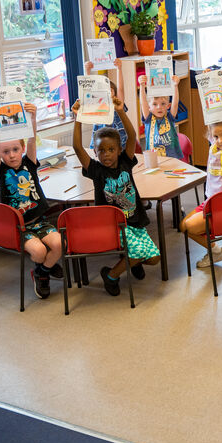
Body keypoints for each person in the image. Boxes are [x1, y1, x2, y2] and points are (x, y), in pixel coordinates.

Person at [71, 96, 159, 295]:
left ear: (119, 150)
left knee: (154, 259)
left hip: (134, 221)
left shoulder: (125, 161)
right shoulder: (95, 170)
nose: (107, 155)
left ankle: (131, 261)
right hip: (113, 225)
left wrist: (121, 111)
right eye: (101, 150)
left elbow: (132, 134)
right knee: (139, 253)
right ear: (95, 152)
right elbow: (77, 147)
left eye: (111, 150)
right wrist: (76, 118)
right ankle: (110, 275)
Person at [0, 102, 63, 299]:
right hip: (19, 228)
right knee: (39, 251)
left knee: (60, 244)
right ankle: (43, 269)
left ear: (22, 148)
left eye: (15, 150)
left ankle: (41, 272)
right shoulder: (0, 171)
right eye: (6, 152)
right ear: (0, 155)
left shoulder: (29, 162)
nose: (11, 155)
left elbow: (33, 141)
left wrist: (33, 118)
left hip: (39, 221)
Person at [181, 71, 222, 268]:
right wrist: (207, 86)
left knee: (189, 226)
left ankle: (215, 250)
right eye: (216, 136)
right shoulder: (214, 144)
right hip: (211, 202)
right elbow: (210, 115)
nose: (221, 140)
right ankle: (216, 251)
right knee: (183, 226)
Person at [139, 70, 184, 160]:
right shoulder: (149, 118)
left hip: (172, 157)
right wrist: (142, 86)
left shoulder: (170, 117)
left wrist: (175, 86)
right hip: (153, 158)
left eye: (163, 104)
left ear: (168, 105)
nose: (159, 107)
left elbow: (175, 103)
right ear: (149, 107)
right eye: (155, 104)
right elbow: (143, 102)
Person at [84, 59, 128, 149]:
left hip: (119, 144)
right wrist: (87, 71)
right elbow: (88, 90)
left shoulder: (117, 105)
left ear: (114, 94)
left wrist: (119, 69)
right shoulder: (97, 105)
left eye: (110, 90)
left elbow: (120, 89)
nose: (106, 92)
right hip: (100, 143)